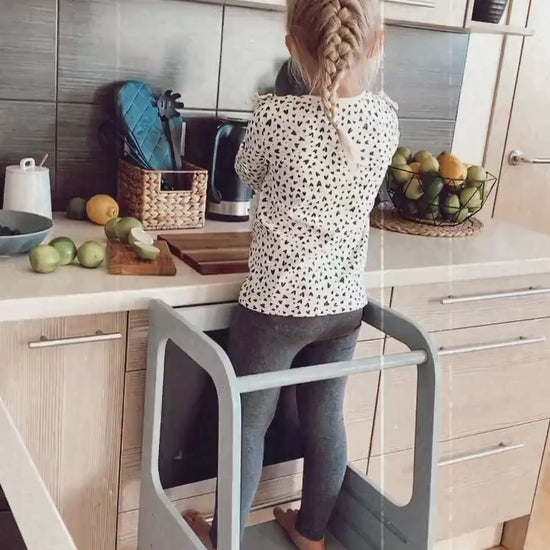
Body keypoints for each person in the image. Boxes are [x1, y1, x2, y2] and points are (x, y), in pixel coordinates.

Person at [184, 0, 399, 548]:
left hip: (275, 305)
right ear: (376, 44)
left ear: (292, 48)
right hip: (342, 307)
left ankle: (224, 536)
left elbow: (244, 171)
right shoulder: (385, 117)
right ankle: (312, 535)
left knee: (248, 423)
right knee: (327, 420)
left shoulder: (275, 116)